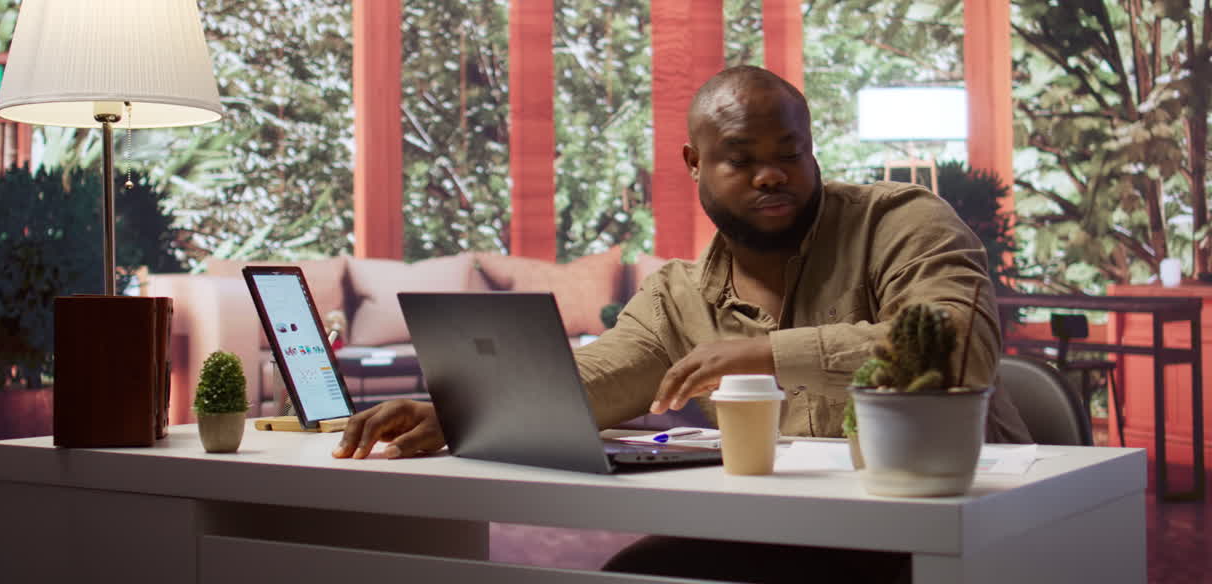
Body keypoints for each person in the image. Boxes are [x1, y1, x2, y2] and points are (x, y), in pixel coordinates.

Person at [333, 65, 1030, 581]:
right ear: (694, 163)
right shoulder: (678, 294)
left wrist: (763, 352)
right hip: (786, 537)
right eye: (742, 158)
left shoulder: (902, 222)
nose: (771, 176)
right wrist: (454, 411)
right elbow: (595, 378)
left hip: (951, 532)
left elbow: (955, 347)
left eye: (789, 153)